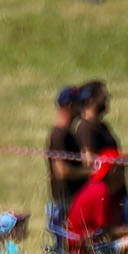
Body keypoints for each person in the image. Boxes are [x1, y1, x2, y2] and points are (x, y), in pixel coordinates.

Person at [71, 80, 125, 213]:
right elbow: (90, 162)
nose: (106, 99)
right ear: (90, 100)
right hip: (102, 193)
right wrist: (119, 158)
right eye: (102, 96)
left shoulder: (102, 126)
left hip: (115, 191)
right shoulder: (85, 128)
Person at [45, 86, 83, 244]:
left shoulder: (69, 133)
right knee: (63, 251)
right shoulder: (59, 135)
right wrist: (91, 171)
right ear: (70, 105)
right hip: (64, 203)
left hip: (70, 202)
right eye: (79, 103)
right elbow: (61, 171)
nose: (82, 107)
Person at [65, 151, 120, 254]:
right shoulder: (101, 190)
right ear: (113, 171)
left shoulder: (95, 186)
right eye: (121, 168)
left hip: (84, 245)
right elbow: (105, 231)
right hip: (85, 251)